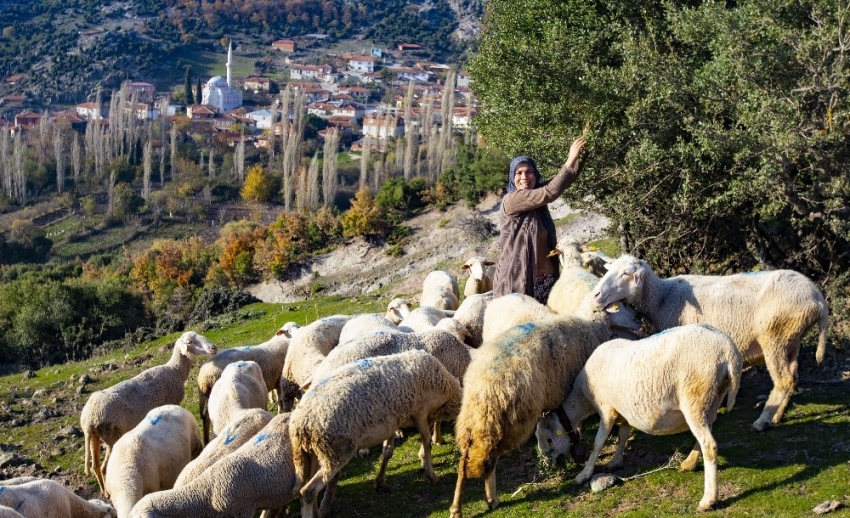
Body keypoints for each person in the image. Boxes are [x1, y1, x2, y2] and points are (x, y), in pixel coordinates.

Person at [492, 137, 586, 303]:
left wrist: (584, 152)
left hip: (545, 280)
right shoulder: (512, 200)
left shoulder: (538, 199)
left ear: (535, 174)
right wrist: (571, 158)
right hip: (517, 280)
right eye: (518, 173)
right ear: (512, 177)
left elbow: (563, 181)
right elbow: (551, 191)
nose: (524, 177)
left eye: (529, 172)